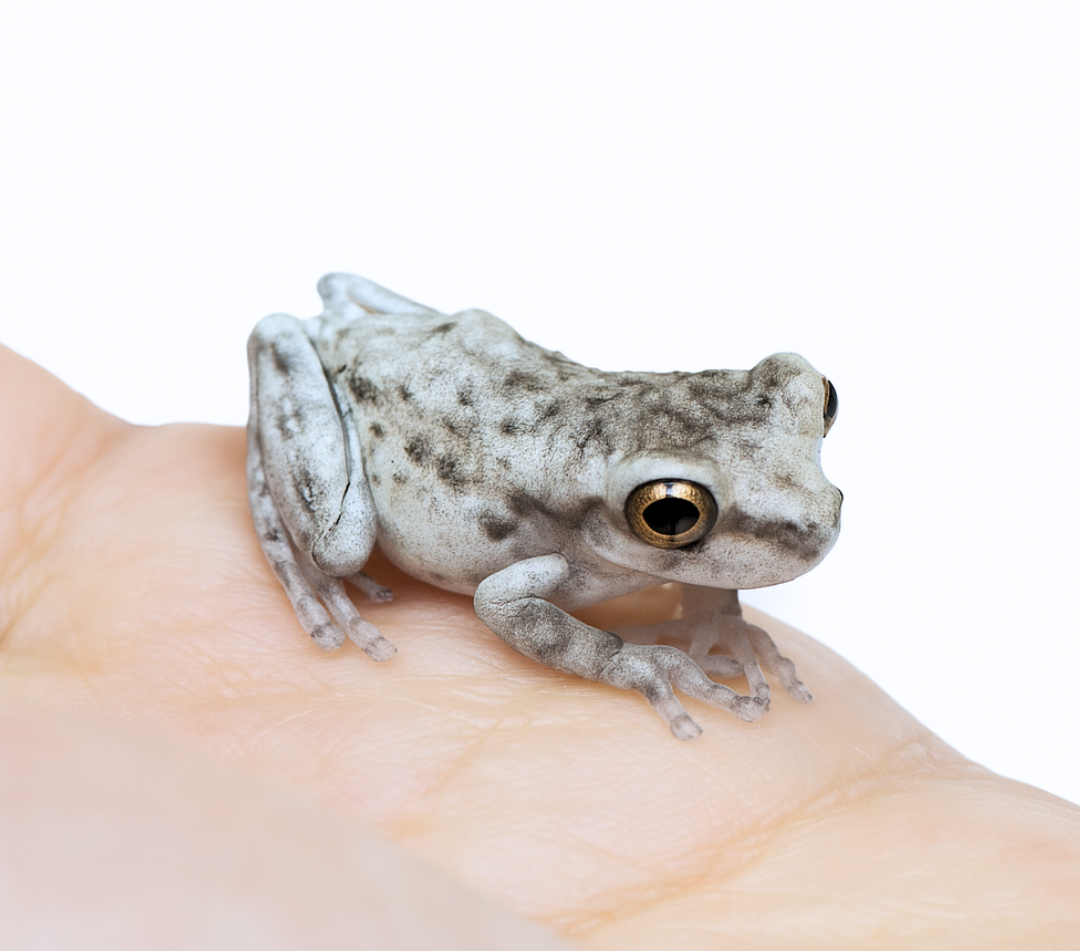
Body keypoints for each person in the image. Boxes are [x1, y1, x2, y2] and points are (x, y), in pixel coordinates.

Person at [1, 343, 1077, 949]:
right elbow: (506, 602)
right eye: (672, 516)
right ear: (630, 515)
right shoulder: (562, 544)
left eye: (811, 414)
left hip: (495, 385)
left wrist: (710, 604)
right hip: (393, 409)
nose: (818, 511)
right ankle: (296, 538)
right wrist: (627, 659)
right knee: (337, 541)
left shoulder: (655, 508)